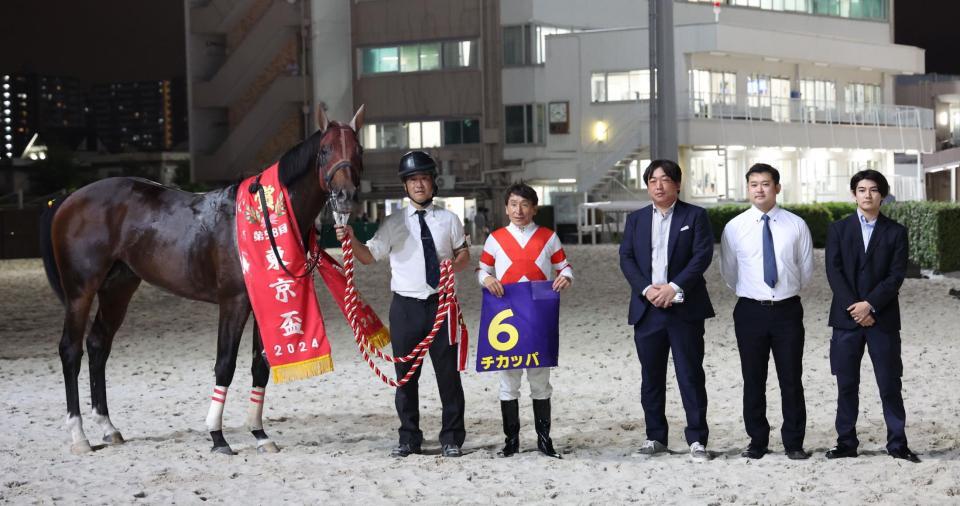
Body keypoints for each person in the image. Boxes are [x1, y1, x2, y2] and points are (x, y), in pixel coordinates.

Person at [336, 150, 471, 458]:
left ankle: (451, 437)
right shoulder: (393, 223)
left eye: (423, 179)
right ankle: (409, 436)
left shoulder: (449, 220)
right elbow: (369, 257)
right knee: (405, 377)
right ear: (406, 186)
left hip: (442, 304)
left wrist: (453, 266)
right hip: (406, 308)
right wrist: (351, 239)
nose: (419, 185)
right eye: (412, 180)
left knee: (448, 375)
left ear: (432, 183)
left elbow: (463, 253)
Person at [619, 159, 715, 462]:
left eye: (664, 180)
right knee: (651, 377)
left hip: (684, 309)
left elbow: (702, 256)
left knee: (690, 375)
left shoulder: (695, 216)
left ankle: (697, 440)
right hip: (647, 309)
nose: (658, 186)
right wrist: (647, 291)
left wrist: (673, 287)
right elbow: (627, 258)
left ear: (677, 184)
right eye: (652, 181)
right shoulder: (635, 220)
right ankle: (655, 437)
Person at [824, 169, 920, 463]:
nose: (868, 195)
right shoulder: (839, 230)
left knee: (890, 383)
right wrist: (856, 306)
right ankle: (846, 442)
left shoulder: (896, 231)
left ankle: (897, 443)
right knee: (846, 384)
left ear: (883, 194)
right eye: (862, 189)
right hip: (846, 319)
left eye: (874, 189)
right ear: (854, 194)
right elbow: (834, 272)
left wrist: (871, 305)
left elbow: (895, 276)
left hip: (883, 319)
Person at [719, 163, 814, 461]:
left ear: (777, 187)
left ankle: (794, 442)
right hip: (750, 311)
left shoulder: (796, 225)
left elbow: (806, 269)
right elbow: (729, 273)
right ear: (747, 188)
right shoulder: (734, 227)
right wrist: (755, 293)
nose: (760, 189)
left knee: (791, 378)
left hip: (787, 310)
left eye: (766, 184)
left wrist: (782, 292)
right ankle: (757, 440)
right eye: (754, 184)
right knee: (753, 378)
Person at [477, 183, 573, 459]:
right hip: (505, 313)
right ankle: (511, 441)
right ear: (506, 208)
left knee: (540, 379)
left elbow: (564, 267)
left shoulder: (548, 237)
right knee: (508, 380)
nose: (519, 210)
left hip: (539, 313)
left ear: (534, 208)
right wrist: (487, 279)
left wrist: (565, 277)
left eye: (524, 205)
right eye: (513, 204)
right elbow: (482, 270)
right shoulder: (495, 239)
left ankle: (544, 439)